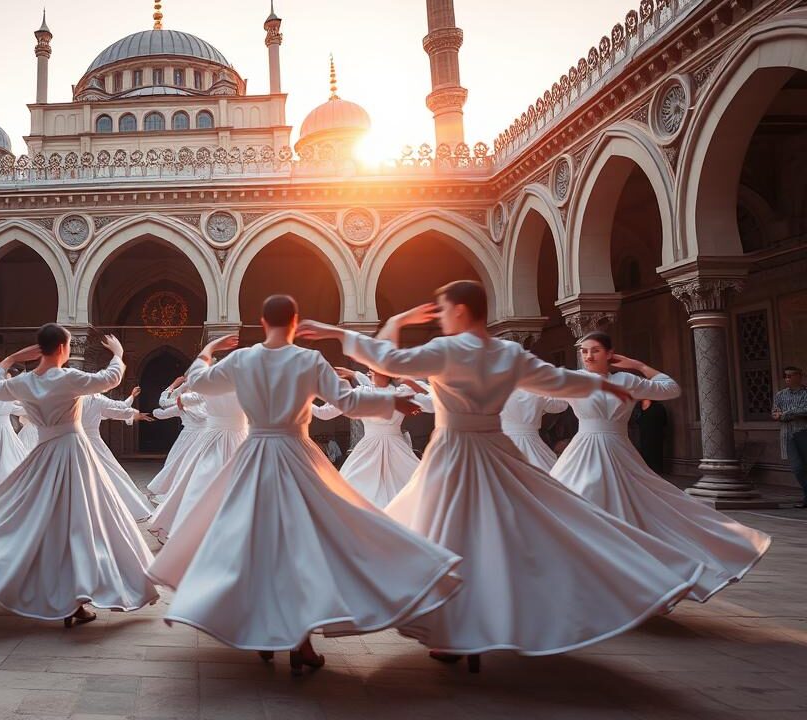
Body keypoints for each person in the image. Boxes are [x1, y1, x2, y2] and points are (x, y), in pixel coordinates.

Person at [298, 281, 703, 671]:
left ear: (459, 311)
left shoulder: (447, 351)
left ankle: (456, 628)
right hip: (496, 450)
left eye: (442, 311)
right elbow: (555, 379)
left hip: (453, 452)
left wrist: (383, 325)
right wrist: (602, 385)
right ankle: (477, 623)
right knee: (509, 531)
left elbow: (385, 360)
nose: (440, 320)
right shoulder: (507, 353)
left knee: (442, 534)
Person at [148, 295, 460, 675]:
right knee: (302, 543)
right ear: (295, 323)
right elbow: (347, 400)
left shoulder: (242, 360)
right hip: (296, 454)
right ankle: (298, 641)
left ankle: (268, 631)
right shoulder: (308, 360)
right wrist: (392, 401)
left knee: (252, 540)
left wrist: (209, 350)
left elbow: (199, 380)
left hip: (254, 456)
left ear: (263, 323)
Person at [0, 325, 158, 627]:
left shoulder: (25, 382)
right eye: (70, 346)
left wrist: (11, 358)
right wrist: (119, 354)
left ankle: (49, 588)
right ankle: (75, 597)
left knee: (28, 515)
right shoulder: (68, 378)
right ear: (62, 348)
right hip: (74, 452)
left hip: (43, 453)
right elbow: (109, 379)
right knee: (83, 521)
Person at [551, 332, 770, 602]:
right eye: (583, 351)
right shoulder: (575, 380)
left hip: (619, 450)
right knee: (573, 505)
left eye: (594, 350)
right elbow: (549, 400)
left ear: (610, 354)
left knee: (636, 511)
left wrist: (640, 366)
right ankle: (579, 580)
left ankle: (635, 584)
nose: (587, 356)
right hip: (582, 450)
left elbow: (671, 388)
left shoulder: (627, 380)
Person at [146, 374, 247, 542]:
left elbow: (163, 408)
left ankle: (186, 512)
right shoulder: (245, 392)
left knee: (188, 473)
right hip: (226, 436)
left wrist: (173, 387)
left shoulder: (198, 398)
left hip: (201, 438)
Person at [312, 370, 432, 507]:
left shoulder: (368, 394)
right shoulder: (396, 393)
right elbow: (324, 413)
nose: (370, 372)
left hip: (382, 449)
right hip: (387, 449)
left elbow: (323, 413)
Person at [81, 388, 155, 521]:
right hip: (93, 442)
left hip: (74, 441)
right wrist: (134, 413)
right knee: (110, 473)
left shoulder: (69, 399)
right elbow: (118, 408)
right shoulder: (96, 399)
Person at [145, 377, 208, 501]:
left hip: (188, 437)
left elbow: (162, 407)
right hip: (208, 436)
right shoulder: (208, 401)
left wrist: (173, 386)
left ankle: (178, 492)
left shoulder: (182, 404)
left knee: (178, 464)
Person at [500, 388, 570, 472]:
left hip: (503, 442)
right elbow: (560, 405)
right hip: (532, 442)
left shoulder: (497, 391)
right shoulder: (537, 391)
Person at [772, 365, 807, 506]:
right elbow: (775, 413)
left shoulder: (805, 393)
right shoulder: (780, 395)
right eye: (786, 376)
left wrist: (786, 414)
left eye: (791, 375)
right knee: (797, 468)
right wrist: (789, 414)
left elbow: (805, 410)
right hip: (788, 435)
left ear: (799, 376)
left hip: (804, 432)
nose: (788, 378)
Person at [630, 397, 668, 474]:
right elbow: (636, 420)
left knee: (655, 453)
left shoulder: (658, 407)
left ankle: (657, 472)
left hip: (656, 435)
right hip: (643, 435)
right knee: (644, 452)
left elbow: (664, 421)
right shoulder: (638, 407)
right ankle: (647, 472)